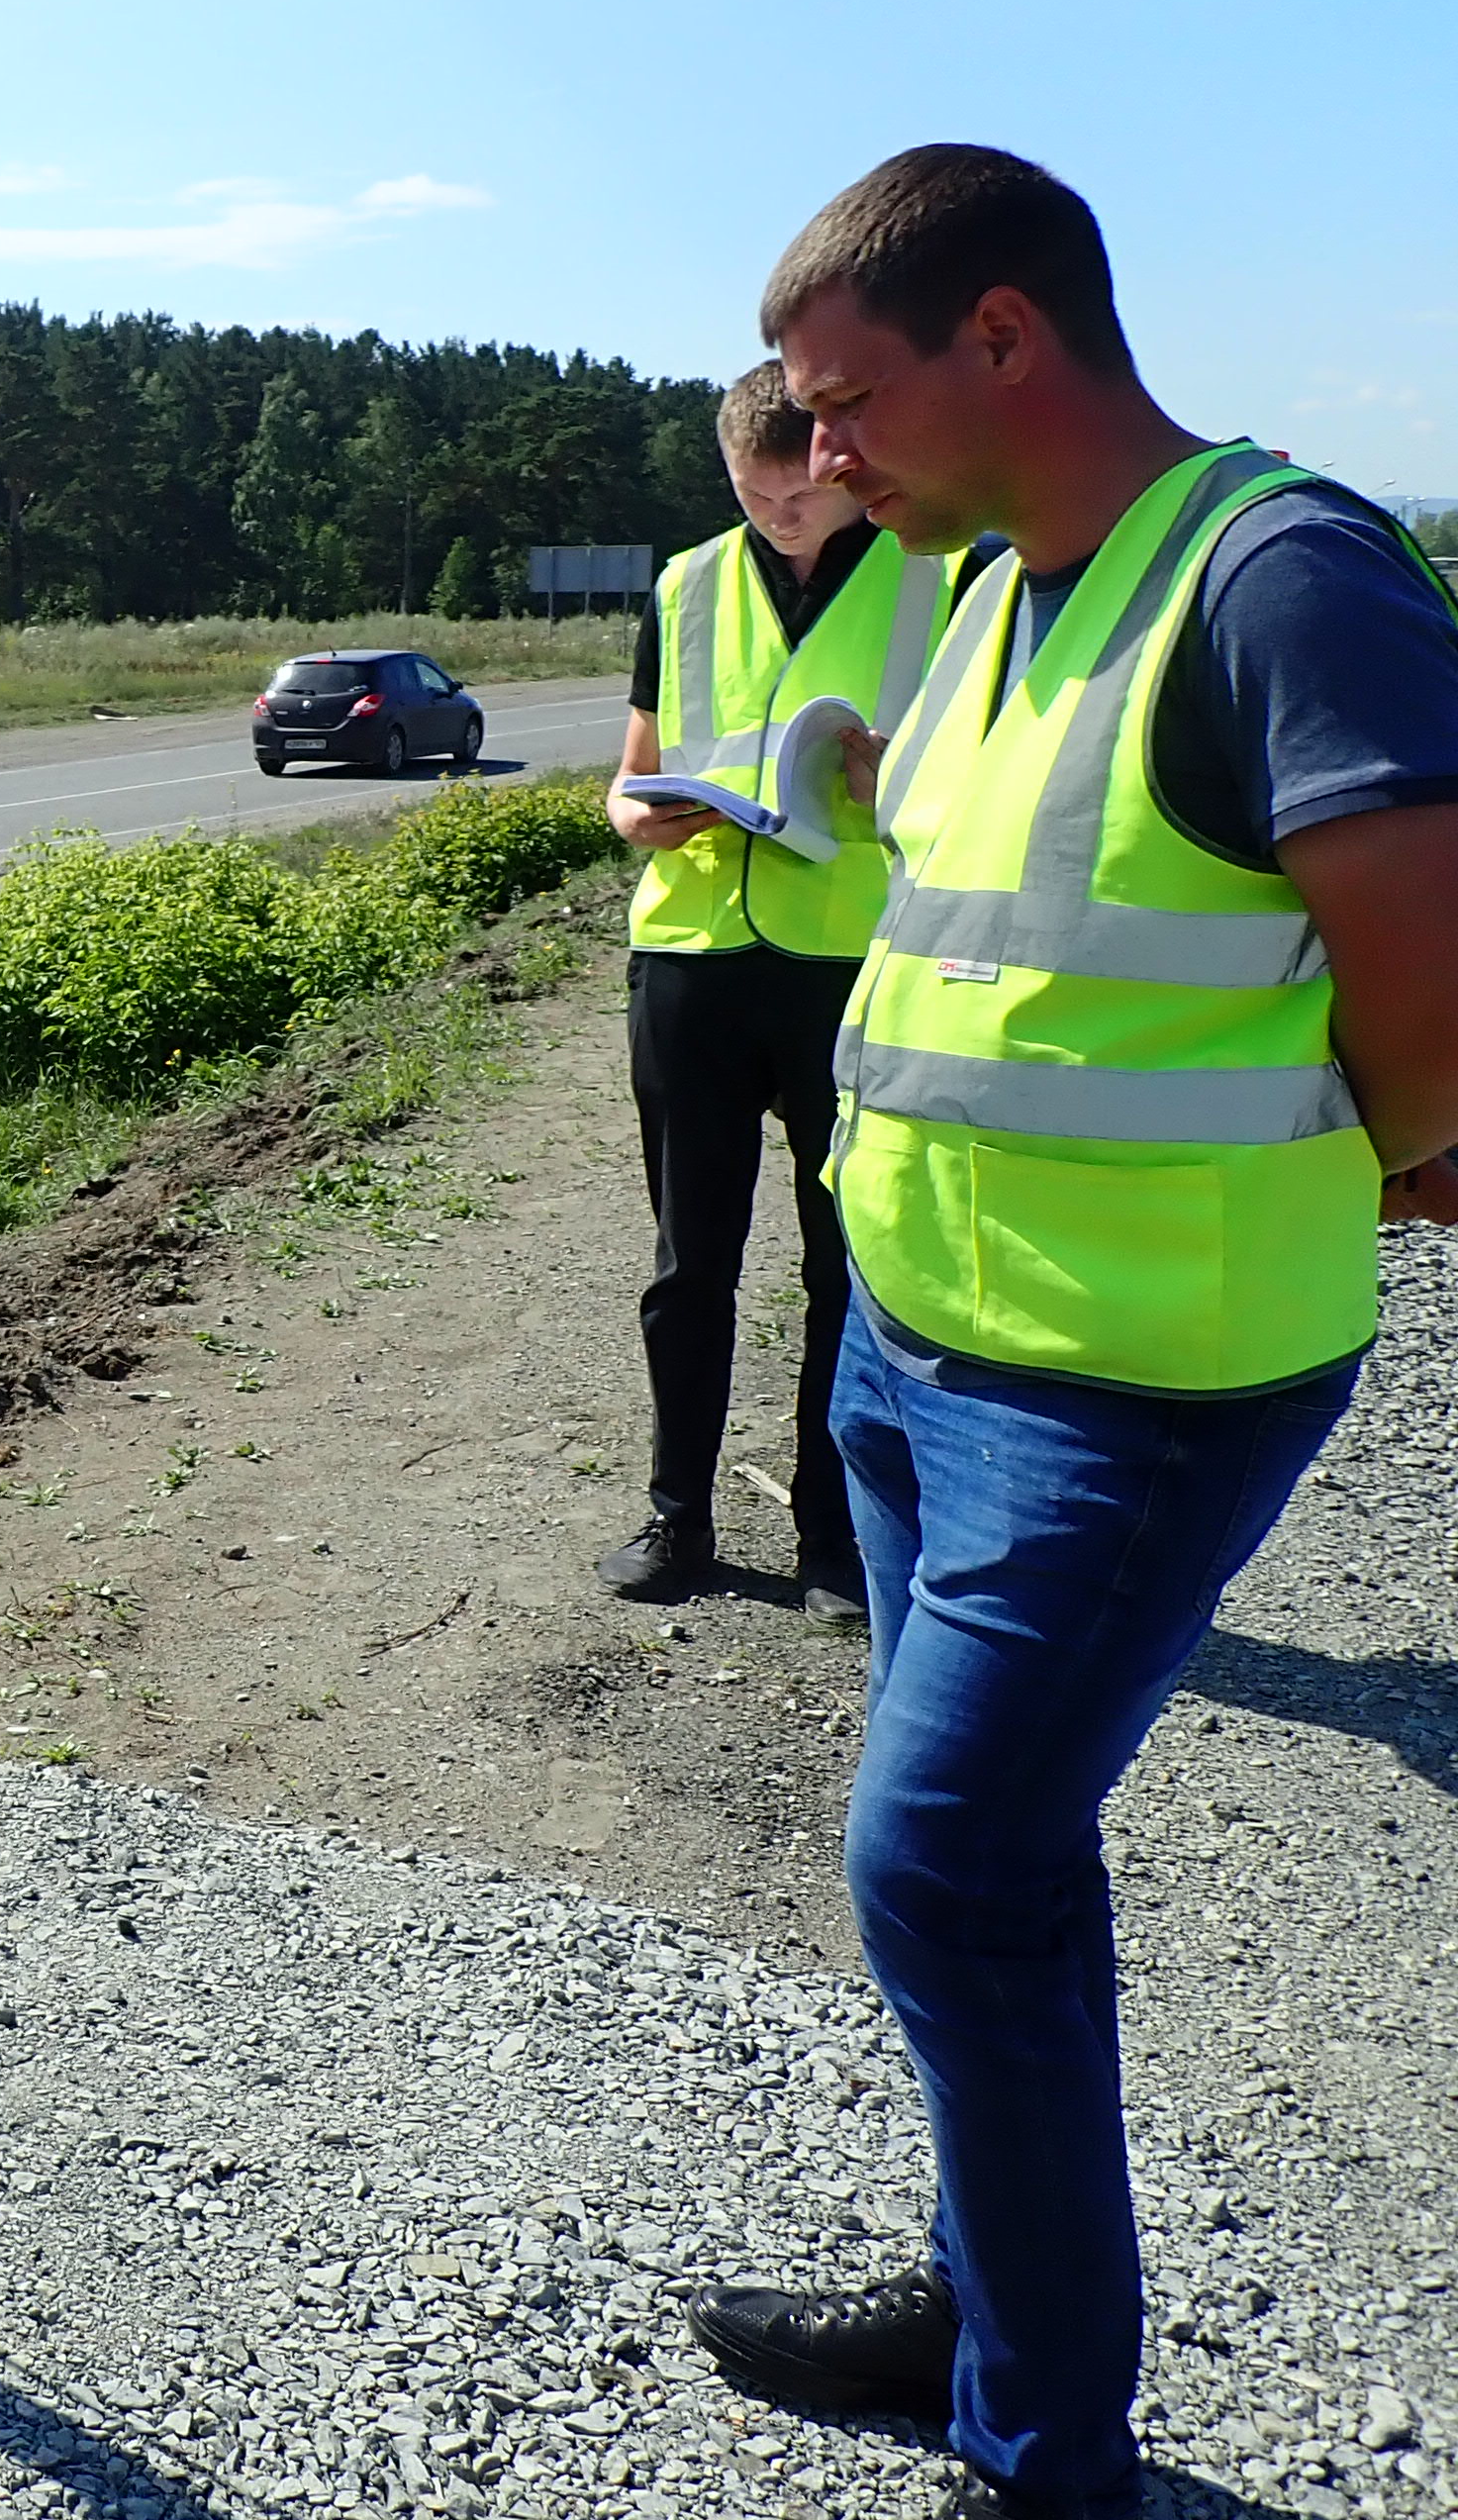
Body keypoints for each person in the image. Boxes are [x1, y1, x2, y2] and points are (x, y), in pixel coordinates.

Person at [680, 145, 1458, 2520]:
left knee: (937, 1862)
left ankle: (1047, 2459)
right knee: (1003, 1873)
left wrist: (1403, 1133)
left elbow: (1424, 932)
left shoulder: (1278, 572)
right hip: (925, 1340)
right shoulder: (1006, 592)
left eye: (840, 409)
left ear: (1003, 338)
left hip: (1129, 1380)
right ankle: (982, 2302)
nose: (817, 465)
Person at [598, 360, 952, 1627]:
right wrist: (635, 815)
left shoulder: (940, 576)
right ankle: (674, 1514)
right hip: (691, 959)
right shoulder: (687, 582)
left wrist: (886, 778)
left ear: (838, 465)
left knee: (841, 1265)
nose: (775, 521)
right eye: (750, 499)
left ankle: (832, 1532)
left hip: (849, 967)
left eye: (794, 500)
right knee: (689, 1261)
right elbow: (634, 770)